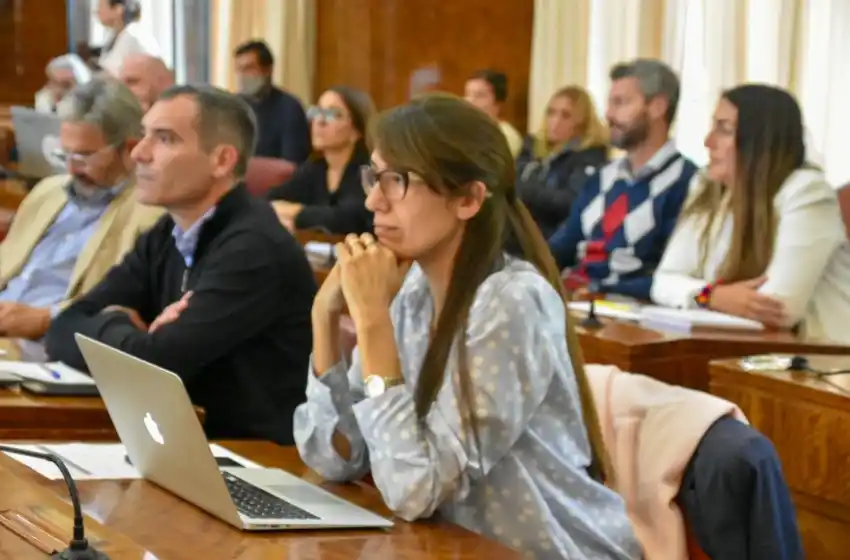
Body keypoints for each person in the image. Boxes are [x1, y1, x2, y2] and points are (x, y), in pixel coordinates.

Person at [293, 94, 640, 559]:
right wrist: (324, 318)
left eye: (397, 181)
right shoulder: (413, 290)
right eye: (374, 176)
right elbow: (336, 456)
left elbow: (414, 490)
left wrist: (373, 322)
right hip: (452, 547)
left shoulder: (511, 301)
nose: (373, 199)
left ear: (469, 199)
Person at [46, 85, 317, 444]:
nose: (139, 153)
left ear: (222, 160)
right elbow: (63, 327)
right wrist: (126, 329)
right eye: (144, 136)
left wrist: (117, 328)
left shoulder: (253, 248)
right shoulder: (167, 231)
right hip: (176, 441)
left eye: (164, 139)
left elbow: (154, 366)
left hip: (250, 457)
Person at [651, 84, 850, 343]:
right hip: (738, 351)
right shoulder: (707, 188)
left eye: (724, 130)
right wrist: (710, 296)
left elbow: (778, 308)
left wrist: (704, 295)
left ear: (760, 140)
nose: (708, 141)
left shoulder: (806, 192)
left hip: (820, 363)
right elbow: (663, 281)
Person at [0, 78, 161, 349]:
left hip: (53, 345)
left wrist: (45, 318)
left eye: (85, 156)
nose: (73, 170)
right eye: (66, 156)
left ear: (131, 149)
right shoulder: (48, 192)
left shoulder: (152, 214)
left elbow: (128, 308)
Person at [548, 59, 698, 300]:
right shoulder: (603, 177)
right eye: (610, 102)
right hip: (575, 303)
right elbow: (561, 247)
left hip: (629, 313)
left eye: (620, 103)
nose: (608, 114)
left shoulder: (687, 182)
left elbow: (671, 276)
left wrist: (601, 290)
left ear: (657, 106)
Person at [268, 86, 374, 234]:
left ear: (356, 131)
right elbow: (266, 202)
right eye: (317, 112)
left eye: (334, 114)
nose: (320, 121)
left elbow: (347, 219)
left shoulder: (368, 170)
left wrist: (295, 212)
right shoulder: (315, 168)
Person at [517, 85, 609, 238]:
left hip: (554, 239)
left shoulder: (590, 157)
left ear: (583, 122)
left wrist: (525, 191)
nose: (555, 121)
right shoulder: (531, 148)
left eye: (566, 116)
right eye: (551, 113)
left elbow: (571, 202)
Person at [234, 40, 311, 164]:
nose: (242, 75)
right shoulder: (232, 107)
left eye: (249, 68)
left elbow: (292, 166)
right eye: (239, 69)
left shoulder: (290, 108)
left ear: (267, 70)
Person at [463, 69, 523, 157]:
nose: (469, 101)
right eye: (467, 94)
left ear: (498, 102)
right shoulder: (463, 131)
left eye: (479, 95)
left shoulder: (507, 136)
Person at [96, 0, 160, 77]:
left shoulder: (131, 38)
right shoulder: (118, 34)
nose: (97, 11)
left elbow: (110, 76)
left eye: (100, 6)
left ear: (118, 9)